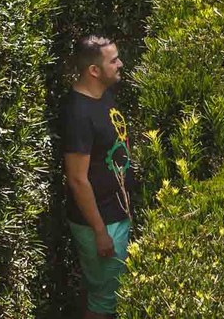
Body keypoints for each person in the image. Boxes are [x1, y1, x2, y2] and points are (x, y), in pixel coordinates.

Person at [63, 35, 136, 319]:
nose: (121, 64)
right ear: (94, 70)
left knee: (111, 293)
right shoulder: (78, 114)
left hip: (116, 214)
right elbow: (77, 179)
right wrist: (100, 232)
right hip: (101, 223)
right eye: (113, 60)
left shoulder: (103, 95)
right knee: (103, 302)